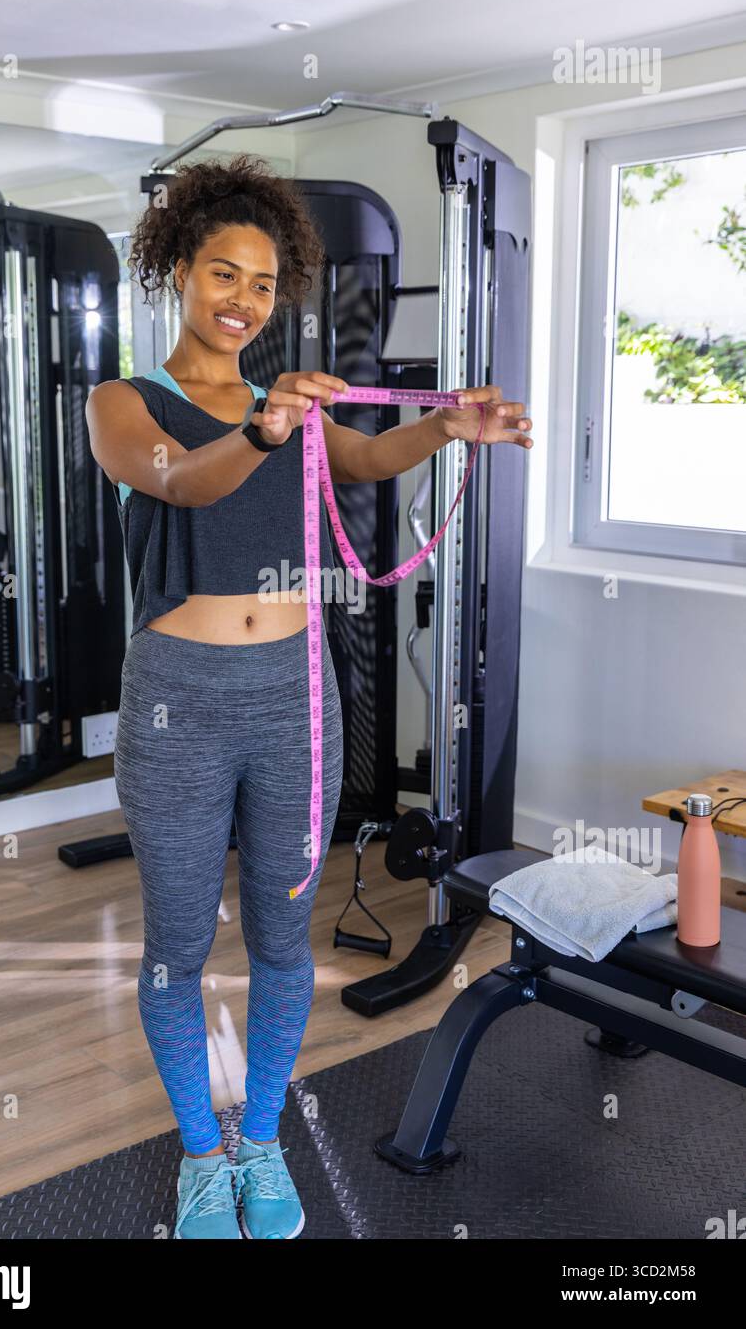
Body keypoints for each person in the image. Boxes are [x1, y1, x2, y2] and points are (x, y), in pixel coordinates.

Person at [86, 152, 532, 1240]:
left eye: (264, 284)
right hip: (179, 702)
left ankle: (265, 1139)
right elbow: (183, 480)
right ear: (178, 272)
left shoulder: (282, 400)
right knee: (176, 947)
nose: (245, 301)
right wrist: (258, 429)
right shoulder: (123, 401)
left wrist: (449, 428)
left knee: (287, 944)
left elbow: (371, 460)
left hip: (296, 694)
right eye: (224, 275)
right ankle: (203, 1154)